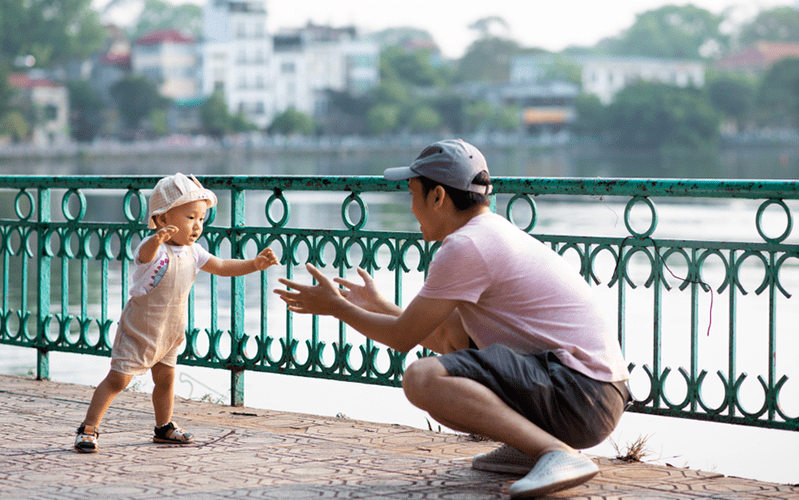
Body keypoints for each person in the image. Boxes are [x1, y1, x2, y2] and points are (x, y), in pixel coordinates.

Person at [274, 139, 631, 497]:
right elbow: (447, 338)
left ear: (438, 197)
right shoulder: (487, 233)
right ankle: (534, 447)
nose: (412, 208)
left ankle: (553, 451)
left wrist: (337, 307)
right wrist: (376, 305)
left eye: (413, 194)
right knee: (456, 337)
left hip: (581, 395)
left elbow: (402, 339)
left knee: (422, 378)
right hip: (592, 395)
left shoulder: (466, 246)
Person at [74, 173, 278, 453]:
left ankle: (163, 426)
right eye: (189, 217)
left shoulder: (194, 252)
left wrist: (254, 264)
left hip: (170, 330)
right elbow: (144, 254)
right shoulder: (155, 250)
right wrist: (157, 239)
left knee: (166, 379)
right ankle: (88, 428)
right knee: (119, 379)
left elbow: (222, 266)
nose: (196, 226)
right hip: (140, 329)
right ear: (160, 218)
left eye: (201, 219)